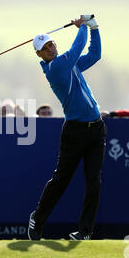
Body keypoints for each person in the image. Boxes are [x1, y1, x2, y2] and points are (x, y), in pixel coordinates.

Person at [28, 15, 106, 241]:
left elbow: (95, 54)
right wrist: (81, 27)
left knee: (94, 182)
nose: (50, 48)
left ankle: (84, 232)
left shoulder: (68, 64)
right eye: (45, 47)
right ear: (39, 55)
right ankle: (38, 218)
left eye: (51, 44)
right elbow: (76, 49)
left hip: (96, 129)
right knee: (61, 180)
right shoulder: (56, 69)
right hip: (75, 132)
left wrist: (95, 29)